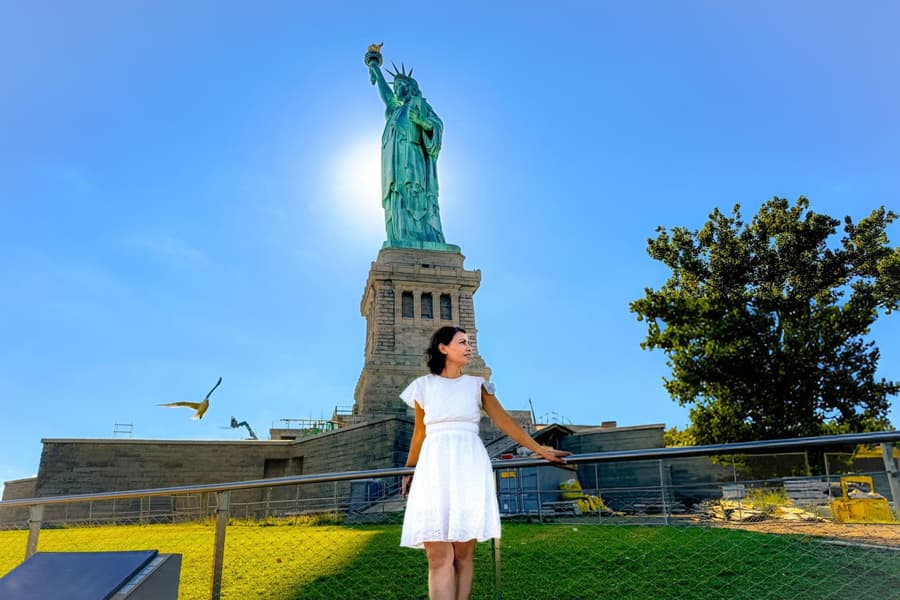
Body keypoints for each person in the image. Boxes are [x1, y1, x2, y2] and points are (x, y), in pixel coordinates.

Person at [399, 326, 570, 600]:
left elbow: (505, 421)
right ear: (443, 348)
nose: (469, 347)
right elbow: (419, 432)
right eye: (462, 342)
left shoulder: (476, 385)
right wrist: (409, 469)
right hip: (434, 468)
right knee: (438, 555)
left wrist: (539, 449)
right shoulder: (423, 387)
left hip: (468, 465)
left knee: (463, 555)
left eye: (470, 342)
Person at [366, 57, 446, 245]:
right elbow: (386, 95)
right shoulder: (395, 110)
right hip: (394, 166)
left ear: (409, 87)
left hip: (413, 160)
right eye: (395, 88)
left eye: (400, 86)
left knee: (415, 196)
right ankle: (402, 236)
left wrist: (422, 121)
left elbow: (438, 125)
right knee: (398, 198)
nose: (396, 90)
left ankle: (424, 236)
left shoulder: (419, 104)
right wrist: (375, 69)